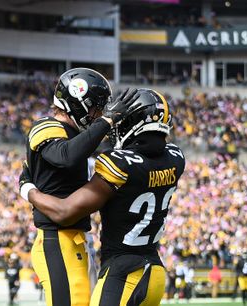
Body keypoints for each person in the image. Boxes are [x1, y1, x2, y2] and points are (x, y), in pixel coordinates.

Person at [21, 88, 185, 305]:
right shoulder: (175, 158)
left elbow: (64, 211)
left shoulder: (118, 164)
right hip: (154, 271)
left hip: (123, 273)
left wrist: (27, 188)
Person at [22, 67, 140, 306]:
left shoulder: (78, 136)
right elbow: (65, 156)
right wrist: (106, 121)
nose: (98, 115)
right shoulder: (46, 126)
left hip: (76, 237)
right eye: (96, 108)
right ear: (78, 103)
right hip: (58, 238)